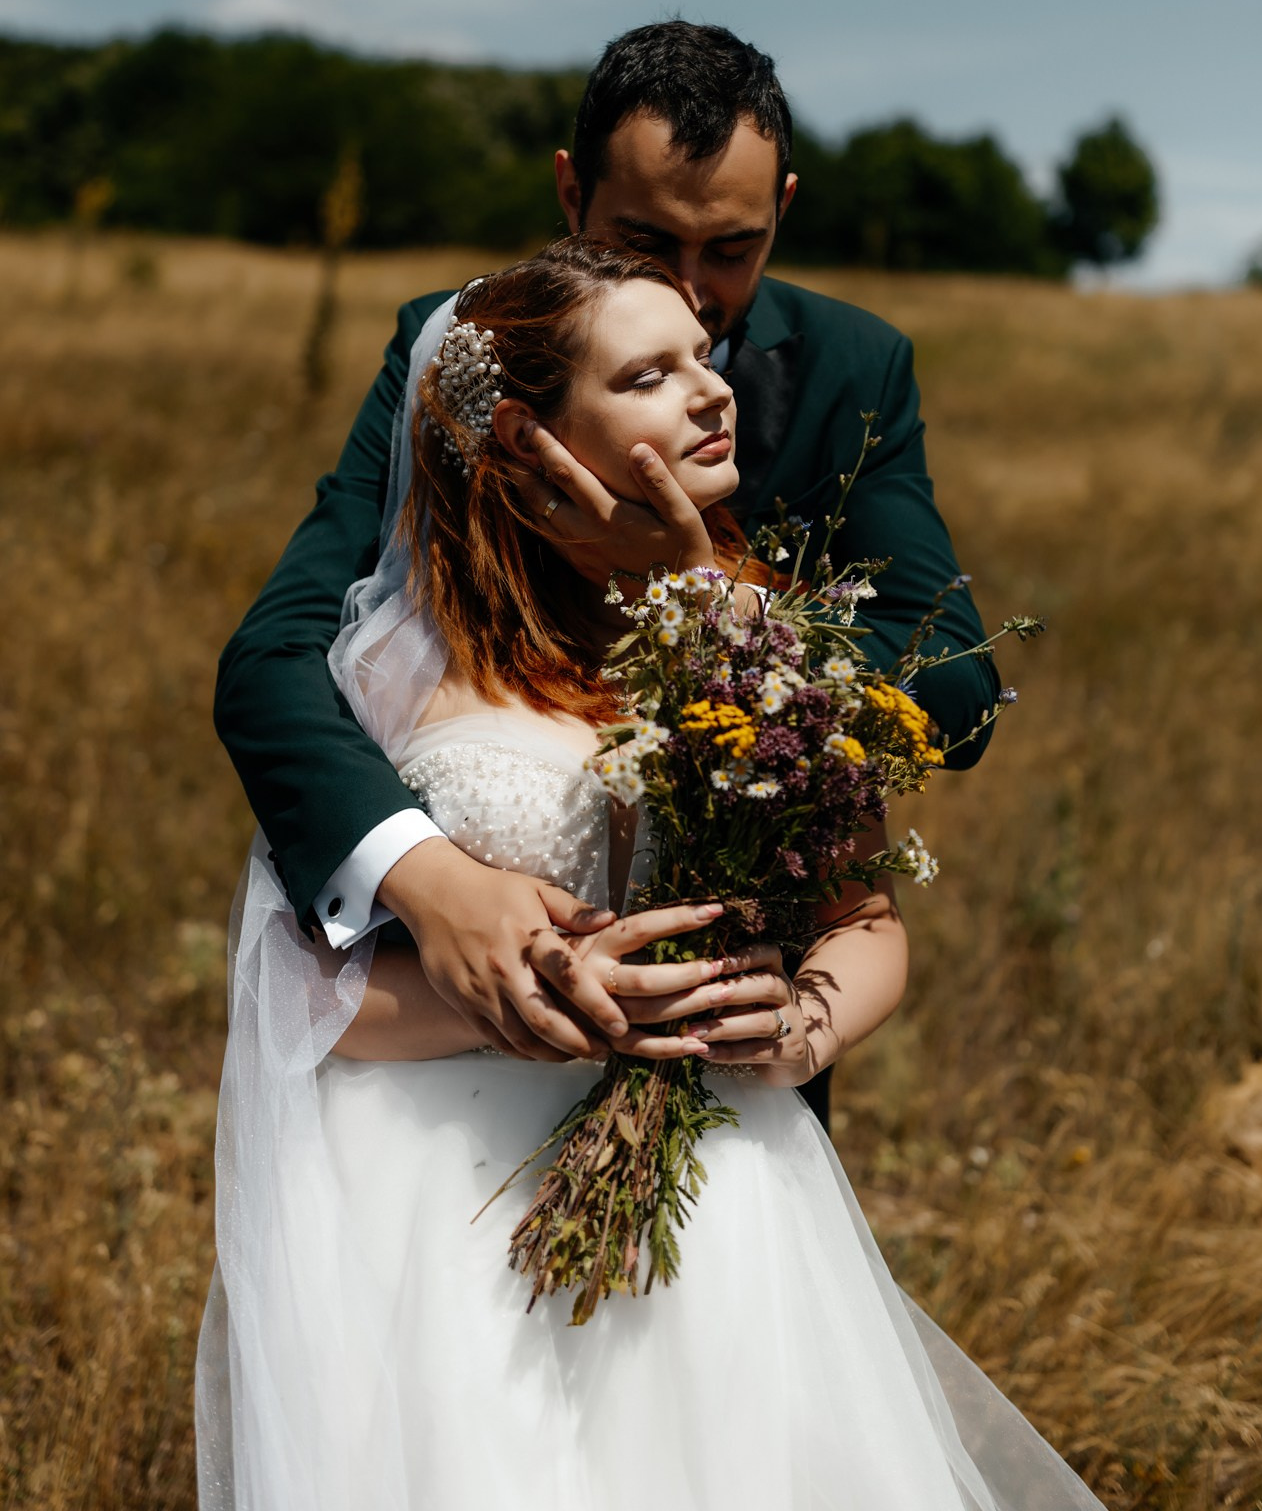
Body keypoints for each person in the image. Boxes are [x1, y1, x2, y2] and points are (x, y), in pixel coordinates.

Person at [196, 240, 1103, 1511]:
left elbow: (865, 917)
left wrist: (804, 1019)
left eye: (703, 354)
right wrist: (518, 997)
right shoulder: (401, 669)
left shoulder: (765, 648)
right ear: (527, 441)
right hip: (442, 1210)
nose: (709, 386)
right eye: (648, 371)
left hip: (724, 1198)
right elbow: (304, 1005)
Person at [213, 21, 1000, 1125]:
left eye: (730, 247)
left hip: (733, 1081)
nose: (688, 291)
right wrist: (431, 885)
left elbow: (954, 687)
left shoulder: (851, 369)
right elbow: (276, 656)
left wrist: (698, 596)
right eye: (641, 241)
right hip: (445, 1079)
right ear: (570, 190)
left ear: (782, 205)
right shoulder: (461, 351)